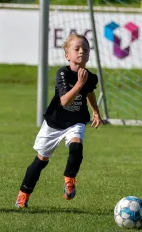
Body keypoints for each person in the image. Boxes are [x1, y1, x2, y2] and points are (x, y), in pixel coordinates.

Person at [15, 33, 103, 208]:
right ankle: (23, 194)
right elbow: (64, 101)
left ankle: (69, 180)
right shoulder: (63, 73)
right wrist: (79, 83)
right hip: (54, 123)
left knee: (76, 147)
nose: (81, 52)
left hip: (76, 120)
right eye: (77, 49)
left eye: (85, 49)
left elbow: (90, 92)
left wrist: (95, 111)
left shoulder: (91, 77)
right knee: (41, 161)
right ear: (67, 55)